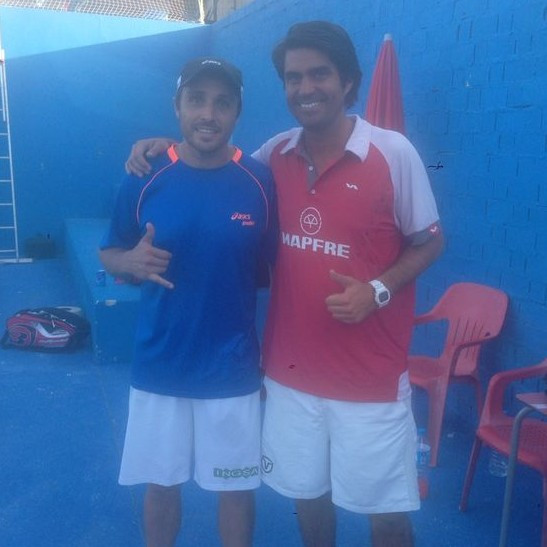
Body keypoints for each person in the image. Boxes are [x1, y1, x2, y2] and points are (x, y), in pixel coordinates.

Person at [125, 21, 444, 547]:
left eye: (319, 74)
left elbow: (429, 242)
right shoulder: (273, 157)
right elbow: (211, 157)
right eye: (294, 78)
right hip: (290, 379)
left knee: (386, 517)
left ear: (348, 82)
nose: (305, 87)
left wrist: (377, 291)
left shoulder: (394, 153)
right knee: (308, 502)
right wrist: (165, 146)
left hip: (371, 381)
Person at [100, 57, 277, 547]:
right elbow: (110, 251)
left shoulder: (260, 182)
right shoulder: (144, 175)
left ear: (237, 112)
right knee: (161, 487)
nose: (208, 114)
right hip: (161, 364)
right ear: (177, 106)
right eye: (196, 100)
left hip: (233, 369)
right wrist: (130, 262)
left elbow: (274, 269)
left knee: (236, 490)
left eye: (222, 103)